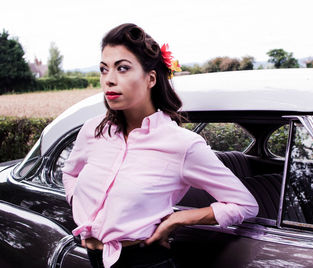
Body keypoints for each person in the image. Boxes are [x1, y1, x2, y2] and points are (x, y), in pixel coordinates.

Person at [62, 23, 259, 268]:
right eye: (103, 70)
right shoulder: (93, 129)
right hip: (92, 260)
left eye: (122, 68)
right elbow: (70, 172)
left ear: (151, 78)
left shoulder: (182, 144)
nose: (109, 80)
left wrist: (178, 220)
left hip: (145, 261)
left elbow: (245, 204)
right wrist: (81, 207)